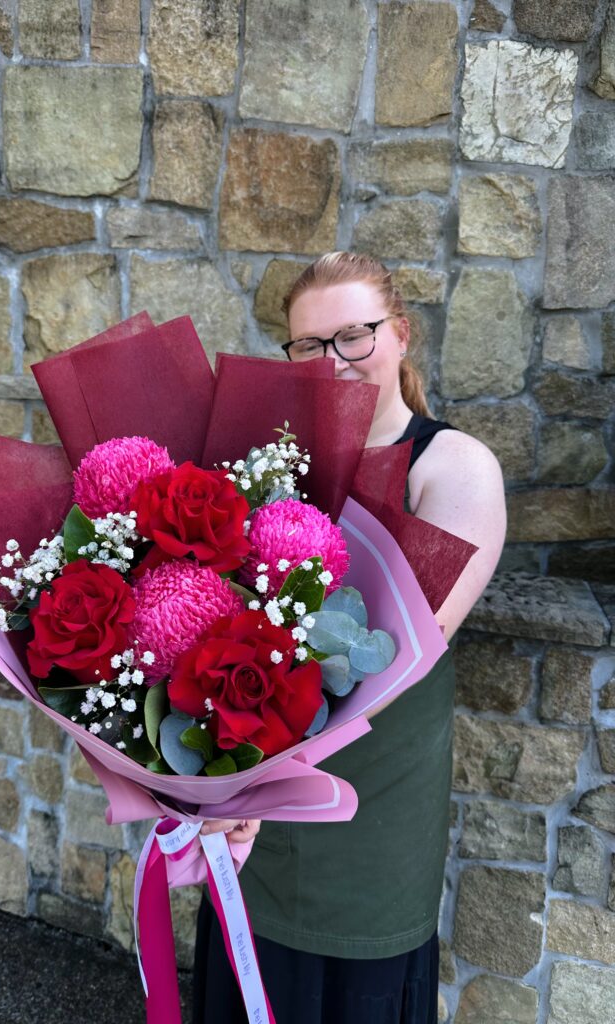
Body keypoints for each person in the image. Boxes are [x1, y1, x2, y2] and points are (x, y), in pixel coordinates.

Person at [192, 252, 507, 1024]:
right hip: (253, 831)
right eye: (308, 344)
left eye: (354, 337)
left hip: (369, 830)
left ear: (399, 336)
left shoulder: (453, 466)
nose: (332, 362)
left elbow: (396, 656)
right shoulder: (275, 470)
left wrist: (242, 788)